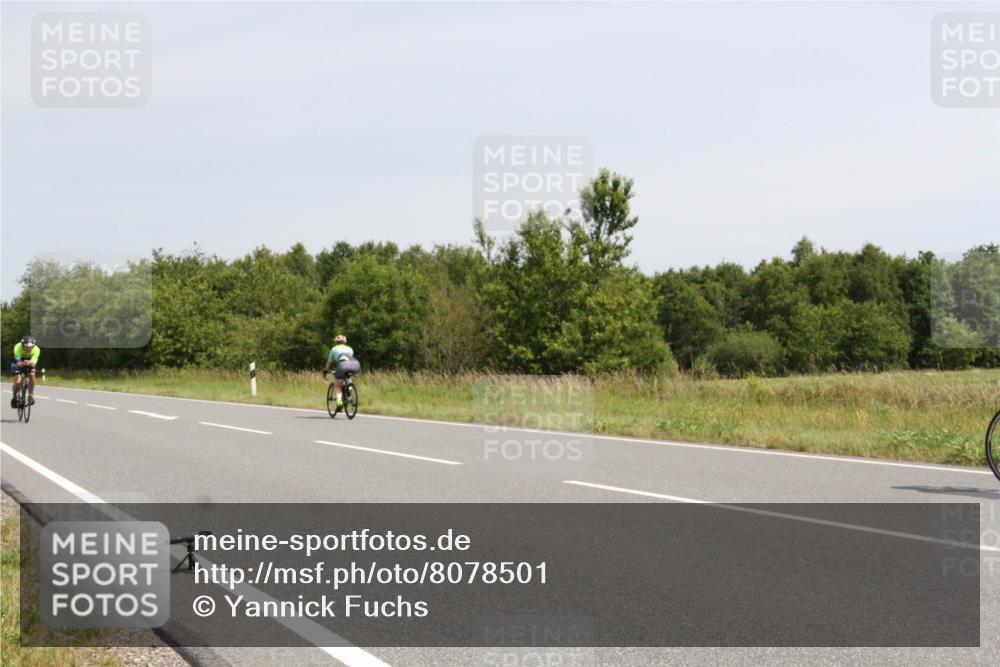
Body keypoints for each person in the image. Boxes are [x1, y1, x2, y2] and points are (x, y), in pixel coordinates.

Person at [322, 334, 360, 407]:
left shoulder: (334, 349)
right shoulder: (350, 348)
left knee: (337, 385)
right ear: (345, 342)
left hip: (342, 366)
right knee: (348, 378)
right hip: (354, 364)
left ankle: (339, 402)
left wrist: (326, 371)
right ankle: (349, 394)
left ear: (336, 342)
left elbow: (329, 362)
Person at [11, 335, 40, 408]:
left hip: (29, 362)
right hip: (17, 362)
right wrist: (25, 363)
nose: (28, 349)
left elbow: (33, 363)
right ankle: (14, 397)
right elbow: (19, 363)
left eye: (30, 347)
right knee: (18, 381)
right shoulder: (17, 347)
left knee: (32, 374)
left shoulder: (37, 349)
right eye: (26, 347)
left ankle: (30, 395)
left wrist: (29, 363)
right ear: (22, 345)